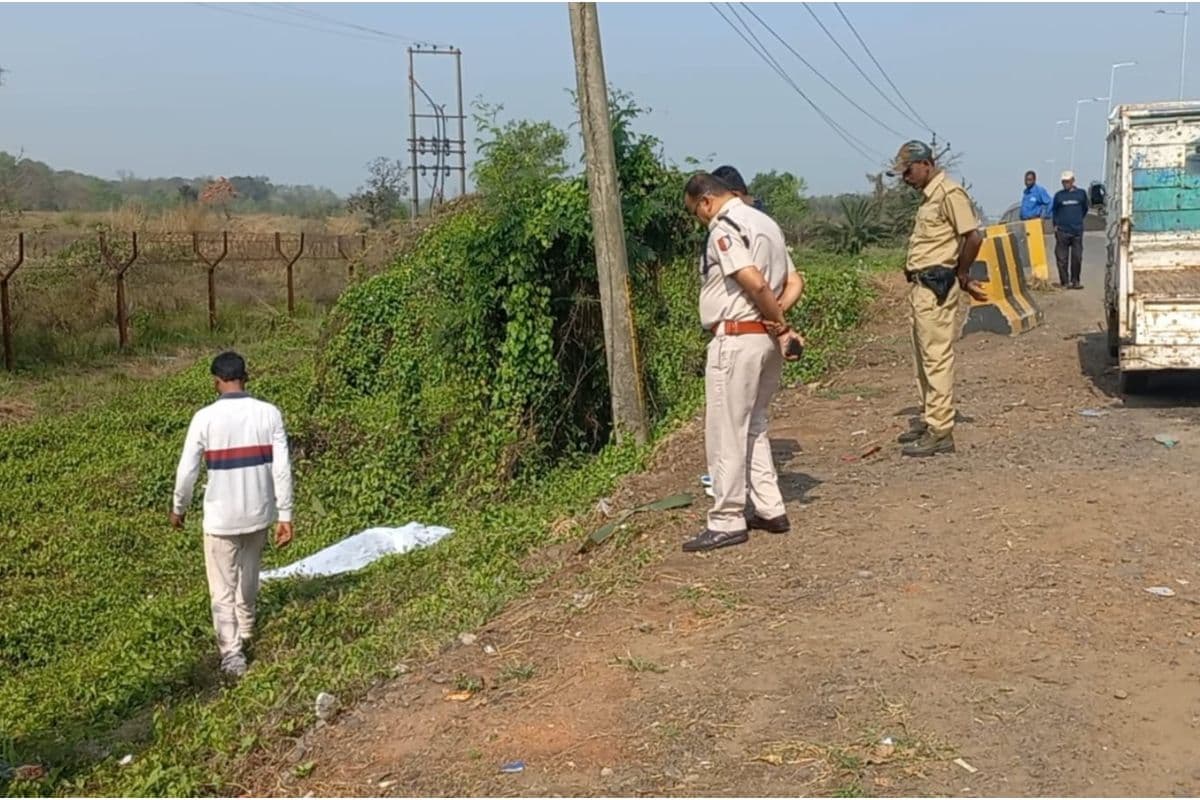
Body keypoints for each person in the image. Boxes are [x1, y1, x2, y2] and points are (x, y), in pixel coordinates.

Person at [682, 172, 804, 553]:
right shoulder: (765, 222)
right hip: (762, 338)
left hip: (736, 338)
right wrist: (776, 323)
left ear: (706, 201)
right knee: (754, 424)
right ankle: (769, 508)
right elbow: (795, 281)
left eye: (696, 212)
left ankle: (726, 518)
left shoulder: (725, 226)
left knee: (725, 429)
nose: (699, 220)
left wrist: (779, 324)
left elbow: (754, 283)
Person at [171, 351, 294, 679]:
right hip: (259, 512)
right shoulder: (269, 414)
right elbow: (282, 469)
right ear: (246, 377)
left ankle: (232, 655)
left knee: (221, 587)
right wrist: (286, 514)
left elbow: (187, 470)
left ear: (216, 382)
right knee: (249, 574)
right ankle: (248, 626)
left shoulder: (204, 418)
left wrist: (178, 508)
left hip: (220, 519)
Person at [887, 141, 986, 458]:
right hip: (922, 286)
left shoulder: (949, 194)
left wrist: (963, 274)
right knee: (922, 359)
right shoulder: (930, 198)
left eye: (908, 170)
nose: (905, 177)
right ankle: (930, 420)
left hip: (936, 285)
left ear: (926, 164)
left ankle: (941, 431)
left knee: (936, 358)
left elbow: (973, 237)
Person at [712, 164, 806, 313]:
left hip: (741, 326)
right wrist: (778, 313)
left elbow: (758, 286)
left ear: (734, 195)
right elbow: (795, 282)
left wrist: (773, 315)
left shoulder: (728, 226)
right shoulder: (769, 224)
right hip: (765, 326)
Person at [1052, 170, 1090, 289]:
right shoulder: (1059, 196)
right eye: (1063, 182)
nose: (1065, 184)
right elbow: (1055, 211)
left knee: (1077, 258)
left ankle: (1075, 281)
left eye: (1067, 182)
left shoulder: (1081, 194)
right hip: (1062, 231)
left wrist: (1077, 220)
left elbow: (1084, 209)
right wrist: (1056, 226)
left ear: (1073, 181)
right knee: (1062, 259)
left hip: (1077, 231)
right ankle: (1064, 281)